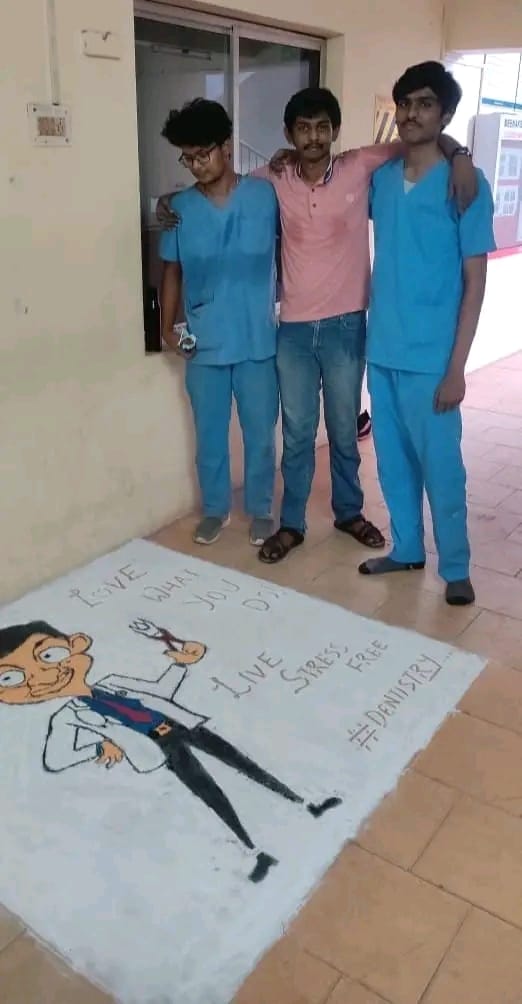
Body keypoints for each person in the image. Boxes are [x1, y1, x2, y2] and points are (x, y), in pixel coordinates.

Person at [158, 88, 475, 563]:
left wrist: (461, 153)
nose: (313, 137)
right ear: (289, 134)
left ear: (335, 131)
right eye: (303, 129)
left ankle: (345, 512)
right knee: (295, 434)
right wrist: (167, 202)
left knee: (341, 430)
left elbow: (416, 138)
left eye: (322, 127)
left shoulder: (348, 168)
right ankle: (286, 522)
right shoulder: (270, 180)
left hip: (339, 327)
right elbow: (184, 241)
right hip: (290, 332)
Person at [0, 619, 341, 883]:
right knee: (210, 794)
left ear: (76, 646)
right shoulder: (69, 716)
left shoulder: (113, 681)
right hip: (160, 748)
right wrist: (97, 746)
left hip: (182, 725)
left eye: (49, 655)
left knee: (244, 764)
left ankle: (306, 804)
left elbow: (160, 689)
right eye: (10, 679)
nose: (41, 676)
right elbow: (55, 758)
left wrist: (182, 662)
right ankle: (255, 852)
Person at [359, 62, 496, 605]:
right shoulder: (382, 181)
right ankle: (407, 548)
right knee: (392, 463)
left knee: (442, 469)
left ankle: (455, 566)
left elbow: (475, 282)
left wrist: (457, 368)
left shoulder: (466, 186)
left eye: (425, 103)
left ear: (446, 113)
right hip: (382, 349)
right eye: (405, 103)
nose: (411, 114)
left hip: (433, 358)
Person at [159, 99, 279, 547]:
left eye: (202, 154)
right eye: (187, 157)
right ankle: (215, 509)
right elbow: (172, 270)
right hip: (204, 342)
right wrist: (167, 328)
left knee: (260, 434)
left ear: (226, 146)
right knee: (209, 434)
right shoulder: (180, 209)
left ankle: (261, 508)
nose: (196, 165)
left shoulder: (264, 196)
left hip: (257, 341)